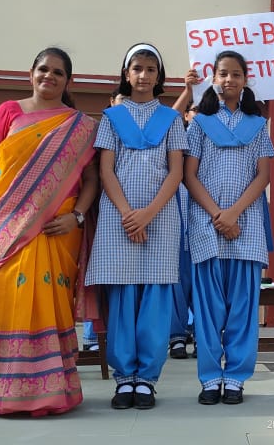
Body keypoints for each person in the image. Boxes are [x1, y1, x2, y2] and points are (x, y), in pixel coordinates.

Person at [0, 47, 98, 416]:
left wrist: (78, 217)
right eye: (43, 69)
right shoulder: (9, 111)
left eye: (57, 72)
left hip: (57, 230)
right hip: (3, 228)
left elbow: (91, 180)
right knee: (3, 302)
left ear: (68, 81)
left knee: (48, 308)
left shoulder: (80, 126)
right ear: (31, 73)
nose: (49, 76)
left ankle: (50, 392)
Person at [86, 43, 187, 410]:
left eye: (150, 69)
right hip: (118, 219)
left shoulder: (171, 119)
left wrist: (148, 214)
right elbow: (106, 170)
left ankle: (146, 378)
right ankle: (124, 376)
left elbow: (176, 172)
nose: (143, 75)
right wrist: (130, 213)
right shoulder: (111, 118)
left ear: (159, 76)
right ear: (126, 74)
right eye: (137, 68)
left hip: (160, 220)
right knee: (123, 298)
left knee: (155, 300)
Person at [183, 50, 274, 405]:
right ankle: (210, 377)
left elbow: (263, 176)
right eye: (223, 73)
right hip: (207, 226)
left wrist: (234, 213)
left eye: (236, 74)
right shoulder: (200, 123)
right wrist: (217, 215)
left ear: (245, 80)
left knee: (242, 308)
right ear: (213, 78)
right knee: (207, 310)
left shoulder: (258, 125)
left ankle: (235, 376)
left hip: (246, 226)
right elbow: (189, 175)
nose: (229, 80)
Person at [169, 68, 202, 360]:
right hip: (176, 225)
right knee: (177, 285)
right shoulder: (176, 134)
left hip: (204, 223)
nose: (198, 115)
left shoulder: (212, 134)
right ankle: (177, 337)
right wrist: (188, 91)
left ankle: (203, 335)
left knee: (203, 286)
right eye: (194, 110)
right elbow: (167, 119)